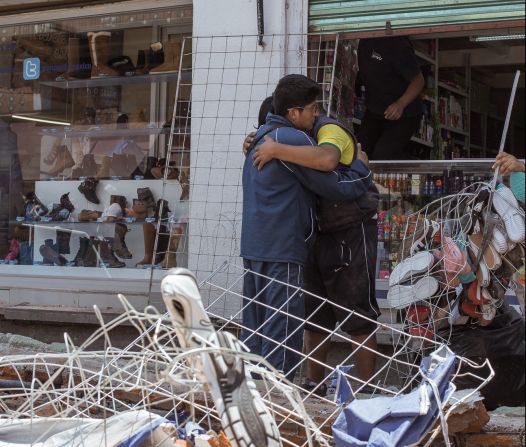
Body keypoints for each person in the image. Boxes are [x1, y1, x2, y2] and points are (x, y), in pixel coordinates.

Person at [241, 74, 373, 380]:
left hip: (255, 245)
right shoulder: (292, 139)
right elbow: (336, 186)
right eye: (313, 108)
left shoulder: (261, 136)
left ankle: (251, 396)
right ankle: (277, 401)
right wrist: (363, 168)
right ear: (293, 113)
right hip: (282, 246)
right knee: (281, 330)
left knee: (255, 329)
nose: (317, 114)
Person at [356, 36, 425, 160]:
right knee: (358, 153)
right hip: (375, 110)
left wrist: (400, 104)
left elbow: (419, 81)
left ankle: (416, 170)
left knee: (383, 155)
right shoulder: (362, 41)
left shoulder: (396, 43)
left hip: (404, 113)